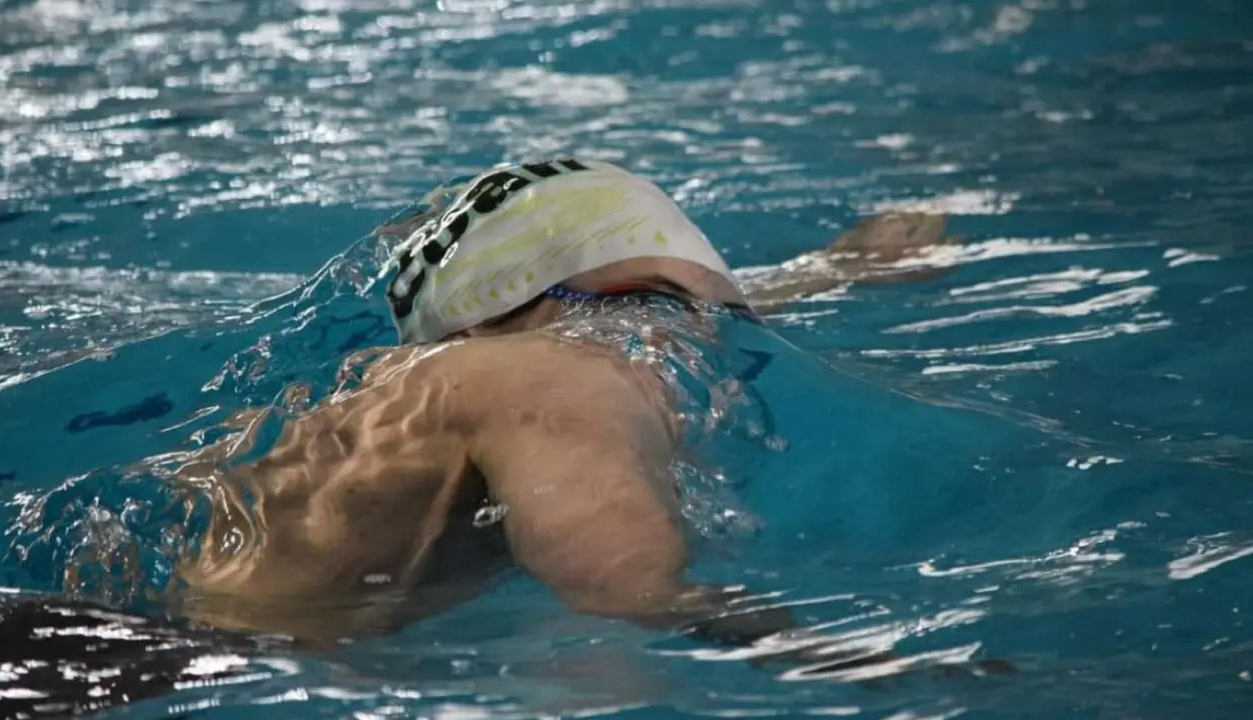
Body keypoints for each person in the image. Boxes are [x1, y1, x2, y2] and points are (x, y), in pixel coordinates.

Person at [170, 157, 959, 657]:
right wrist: (873, 665)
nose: (703, 346)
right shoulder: (553, 378)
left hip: (156, 651)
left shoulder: (441, 374)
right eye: (686, 310)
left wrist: (843, 268)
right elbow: (622, 586)